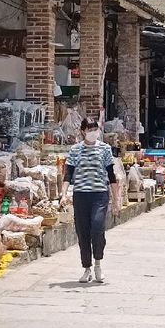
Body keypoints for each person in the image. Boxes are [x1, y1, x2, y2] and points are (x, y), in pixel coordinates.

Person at [61, 119, 121, 283]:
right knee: (83, 232)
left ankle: (98, 264)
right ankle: (86, 267)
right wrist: (63, 193)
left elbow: (111, 175)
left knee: (97, 227)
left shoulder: (105, 149)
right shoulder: (75, 150)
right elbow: (68, 174)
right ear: (82, 131)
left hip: (99, 195)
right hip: (80, 195)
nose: (93, 132)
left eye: (96, 129)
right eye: (90, 129)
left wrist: (116, 200)